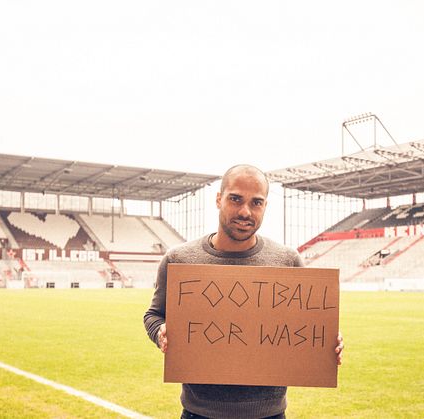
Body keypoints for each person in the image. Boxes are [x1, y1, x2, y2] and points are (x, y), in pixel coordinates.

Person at [144, 164, 344, 419]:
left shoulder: (287, 260)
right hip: (199, 413)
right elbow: (153, 315)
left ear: (265, 206)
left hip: (269, 414)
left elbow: (302, 328)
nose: (245, 211)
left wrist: (328, 343)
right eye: (235, 199)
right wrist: (160, 332)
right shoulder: (179, 259)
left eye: (256, 202)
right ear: (219, 199)